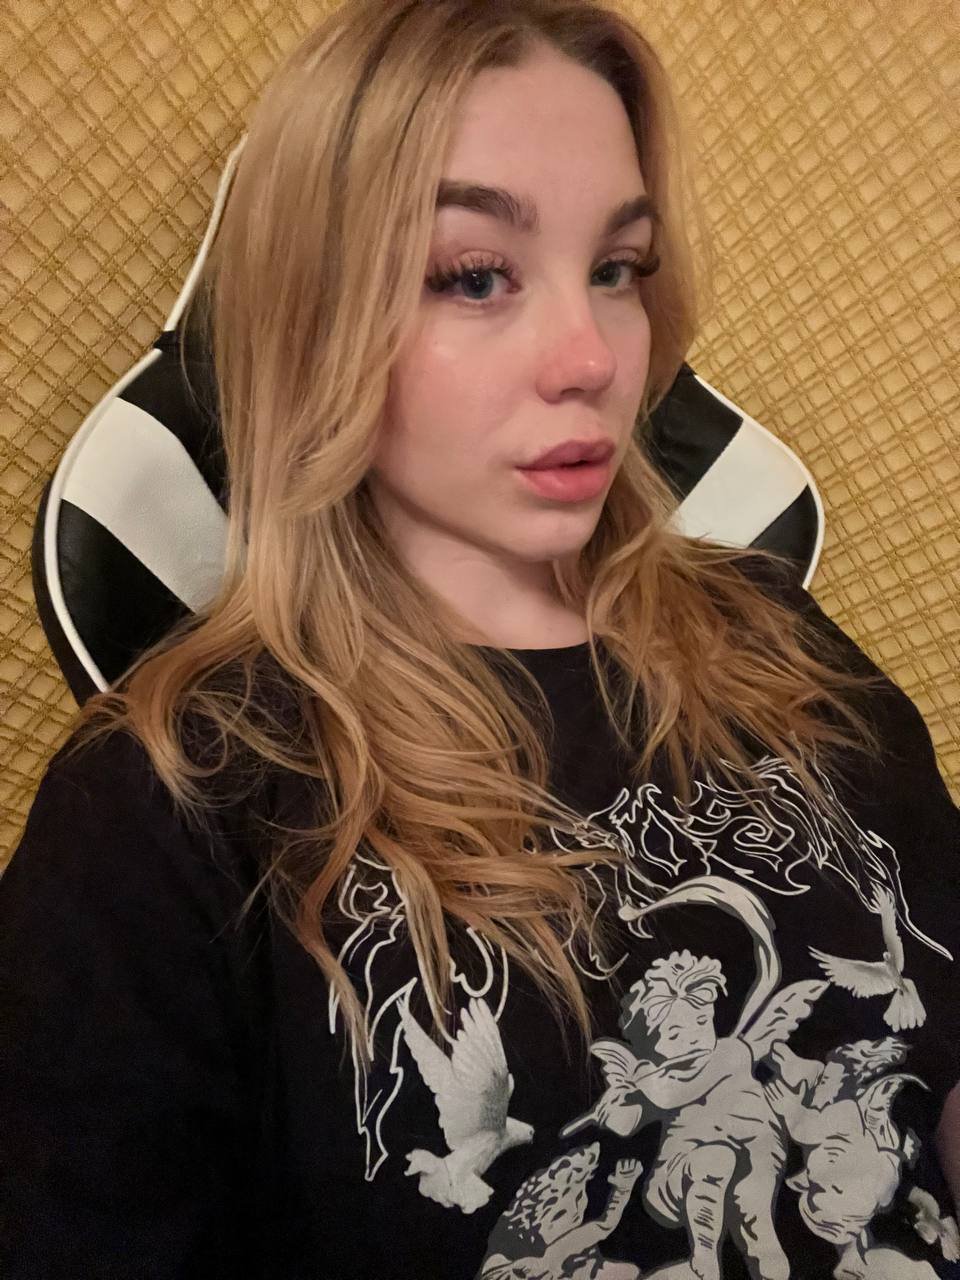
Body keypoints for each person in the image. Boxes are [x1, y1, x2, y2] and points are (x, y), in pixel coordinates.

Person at [1, 1, 958, 1277]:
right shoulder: (169, 798)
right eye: (474, 275)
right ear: (314, 314)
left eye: (617, 268)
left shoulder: (780, 641)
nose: (592, 358)